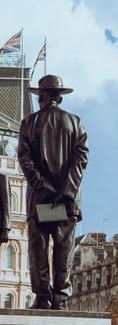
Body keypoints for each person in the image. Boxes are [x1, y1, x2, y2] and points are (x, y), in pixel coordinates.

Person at [18, 73, 88, 310]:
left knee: (38, 250)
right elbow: (81, 159)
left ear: (42, 97)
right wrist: (66, 189)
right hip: (67, 200)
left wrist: (42, 187)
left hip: (39, 199)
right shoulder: (75, 122)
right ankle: (61, 297)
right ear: (59, 97)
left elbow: (25, 159)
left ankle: (42, 296)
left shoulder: (29, 123)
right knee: (64, 249)